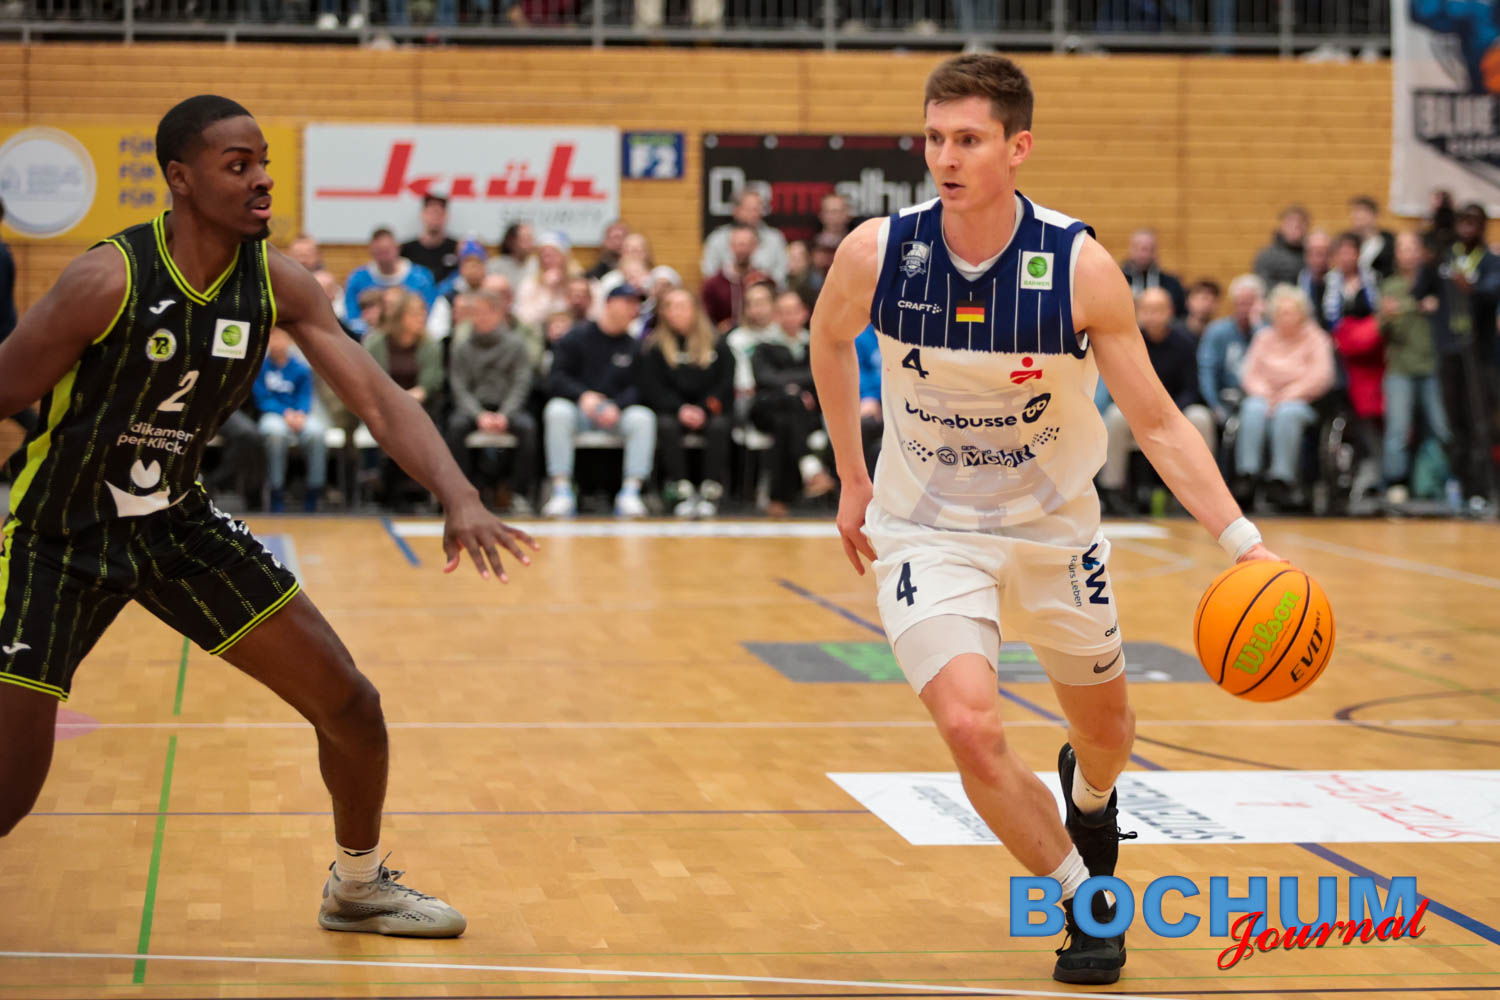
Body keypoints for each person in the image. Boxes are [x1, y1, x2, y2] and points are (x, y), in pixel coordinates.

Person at [0, 95, 535, 938]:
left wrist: (459, 494)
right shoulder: (106, 281)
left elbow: (379, 400)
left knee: (351, 705)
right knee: (9, 790)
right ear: (180, 179)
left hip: (176, 526)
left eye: (263, 164)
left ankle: (357, 887)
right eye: (237, 165)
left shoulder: (277, 282)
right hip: (59, 537)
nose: (261, 181)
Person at [808, 55, 1278, 986]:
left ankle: (1091, 798)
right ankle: (1085, 901)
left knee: (1107, 731)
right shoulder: (878, 252)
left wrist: (1245, 545)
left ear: (1017, 148)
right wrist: (853, 477)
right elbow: (827, 339)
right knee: (969, 725)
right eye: (934, 138)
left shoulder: (1077, 267)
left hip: (1055, 529)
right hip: (927, 529)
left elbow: (1156, 422)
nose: (946, 158)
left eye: (969, 140)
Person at [540, 284, 656, 518]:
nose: (633, 309)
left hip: (615, 414)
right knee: (557, 411)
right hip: (579, 410)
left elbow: (641, 387)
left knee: (643, 418)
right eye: (628, 302)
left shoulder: (634, 346)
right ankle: (561, 490)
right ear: (609, 304)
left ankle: (631, 492)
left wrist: (617, 405)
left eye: (636, 305)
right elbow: (557, 377)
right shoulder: (576, 337)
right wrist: (583, 396)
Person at [1096, 288, 1216, 513]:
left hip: (1176, 410)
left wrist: (1171, 411)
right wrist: (1143, 408)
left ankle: (1202, 491)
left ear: (1170, 312)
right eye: (1147, 310)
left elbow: (1191, 388)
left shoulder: (1185, 343)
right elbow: (1119, 384)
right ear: (1139, 312)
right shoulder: (1127, 342)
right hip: (1137, 409)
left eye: (1159, 310)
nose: (1153, 316)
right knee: (1114, 417)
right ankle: (1112, 490)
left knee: (1201, 418)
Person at [1233, 285, 1336, 510]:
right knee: (1252, 408)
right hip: (1266, 397)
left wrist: (1290, 394)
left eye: (1290, 312)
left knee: (1287, 413)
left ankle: (1281, 479)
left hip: (1302, 400)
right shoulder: (1263, 338)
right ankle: (1247, 474)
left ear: (1302, 314)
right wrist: (1265, 393)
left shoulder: (1316, 338)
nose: (1285, 318)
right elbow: (1249, 373)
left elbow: (1322, 376)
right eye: (1280, 313)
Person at [638, 288, 734, 518]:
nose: (674, 312)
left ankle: (710, 490)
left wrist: (704, 409)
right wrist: (680, 409)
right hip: (673, 410)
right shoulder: (655, 347)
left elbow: (725, 384)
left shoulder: (717, 344)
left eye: (681, 306)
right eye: (669, 307)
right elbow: (653, 387)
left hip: (708, 410)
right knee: (666, 425)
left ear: (695, 310)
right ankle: (681, 489)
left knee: (720, 425)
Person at [444, 290, 537, 513]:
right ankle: (461, 493)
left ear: (499, 314)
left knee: (528, 428)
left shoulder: (516, 345)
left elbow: (521, 384)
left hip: (507, 407)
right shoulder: (462, 346)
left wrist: (505, 414)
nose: (480, 318)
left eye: (485, 312)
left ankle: (519, 493)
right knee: (455, 426)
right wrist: (478, 415)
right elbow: (459, 387)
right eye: (475, 313)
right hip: (474, 408)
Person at [1378, 231, 1451, 504]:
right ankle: (1395, 482)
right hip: (1400, 367)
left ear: (1421, 252)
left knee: (1440, 428)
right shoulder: (1390, 285)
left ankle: (1434, 482)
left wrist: (1403, 308)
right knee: (1398, 430)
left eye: (1412, 248)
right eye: (1402, 248)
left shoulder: (1434, 282)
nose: (1408, 254)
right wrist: (1414, 306)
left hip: (1433, 366)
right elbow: (1383, 324)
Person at [254, 327, 327, 513]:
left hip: (299, 414)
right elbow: (262, 398)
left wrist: (301, 413)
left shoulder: (301, 368)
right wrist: (284, 412)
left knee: (317, 433)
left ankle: (314, 489)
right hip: (273, 414)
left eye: (281, 338)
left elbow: (305, 396)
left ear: (290, 341)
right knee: (275, 434)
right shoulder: (260, 367)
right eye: (273, 338)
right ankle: (276, 489)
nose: (277, 343)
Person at [1118, 228, 1186, 318]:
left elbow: (1180, 315)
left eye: (1149, 249)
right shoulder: (1117, 281)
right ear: (1131, 249)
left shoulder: (1171, 284)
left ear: (1155, 252)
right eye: (1139, 248)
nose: (1144, 254)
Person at [399, 188, 459, 284]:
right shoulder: (406, 250)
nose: (435, 217)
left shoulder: (456, 249)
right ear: (423, 214)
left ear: (446, 216)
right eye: (431, 213)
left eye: (439, 213)